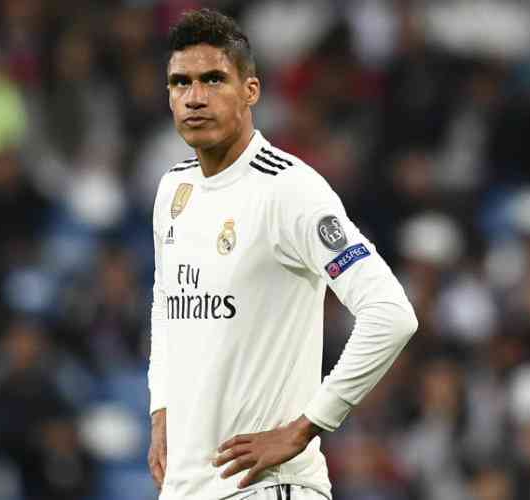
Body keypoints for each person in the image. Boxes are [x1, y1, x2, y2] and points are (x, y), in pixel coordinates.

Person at [148, 9, 418, 500]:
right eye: (180, 82)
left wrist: (308, 424)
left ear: (251, 90)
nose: (195, 97)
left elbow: (391, 313)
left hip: (268, 487)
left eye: (213, 79)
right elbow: (168, 304)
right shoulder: (173, 190)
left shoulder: (289, 190)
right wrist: (161, 406)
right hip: (188, 488)